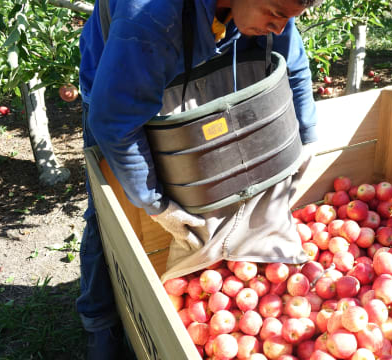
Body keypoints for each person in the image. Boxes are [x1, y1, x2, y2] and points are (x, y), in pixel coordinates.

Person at [77, 0, 322, 358]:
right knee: (111, 218)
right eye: (276, 14)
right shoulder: (151, 17)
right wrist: (155, 204)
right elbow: (115, 125)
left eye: (290, 18)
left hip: (206, 66)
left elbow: (293, 66)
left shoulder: (268, 9)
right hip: (118, 85)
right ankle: (100, 326)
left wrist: (308, 134)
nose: (281, 27)